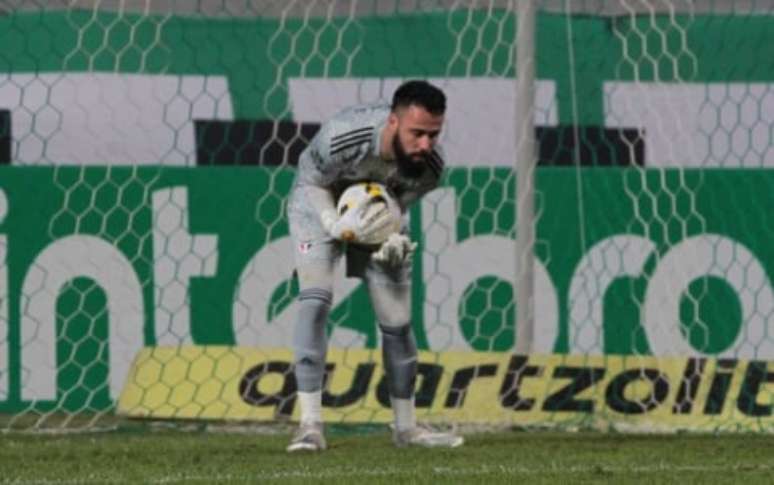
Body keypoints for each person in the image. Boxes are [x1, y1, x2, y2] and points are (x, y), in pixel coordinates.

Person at [285, 80, 463, 452]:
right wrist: (335, 225)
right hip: (318, 208)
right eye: (417, 133)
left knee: (397, 321)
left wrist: (391, 239)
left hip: (376, 216)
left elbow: (397, 205)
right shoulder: (343, 136)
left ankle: (406, 428)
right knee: (315, 301)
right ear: (393, 123)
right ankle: (309, 426)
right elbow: (309, 182)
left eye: (434, 134)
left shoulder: (429, 168)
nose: (426, 144)